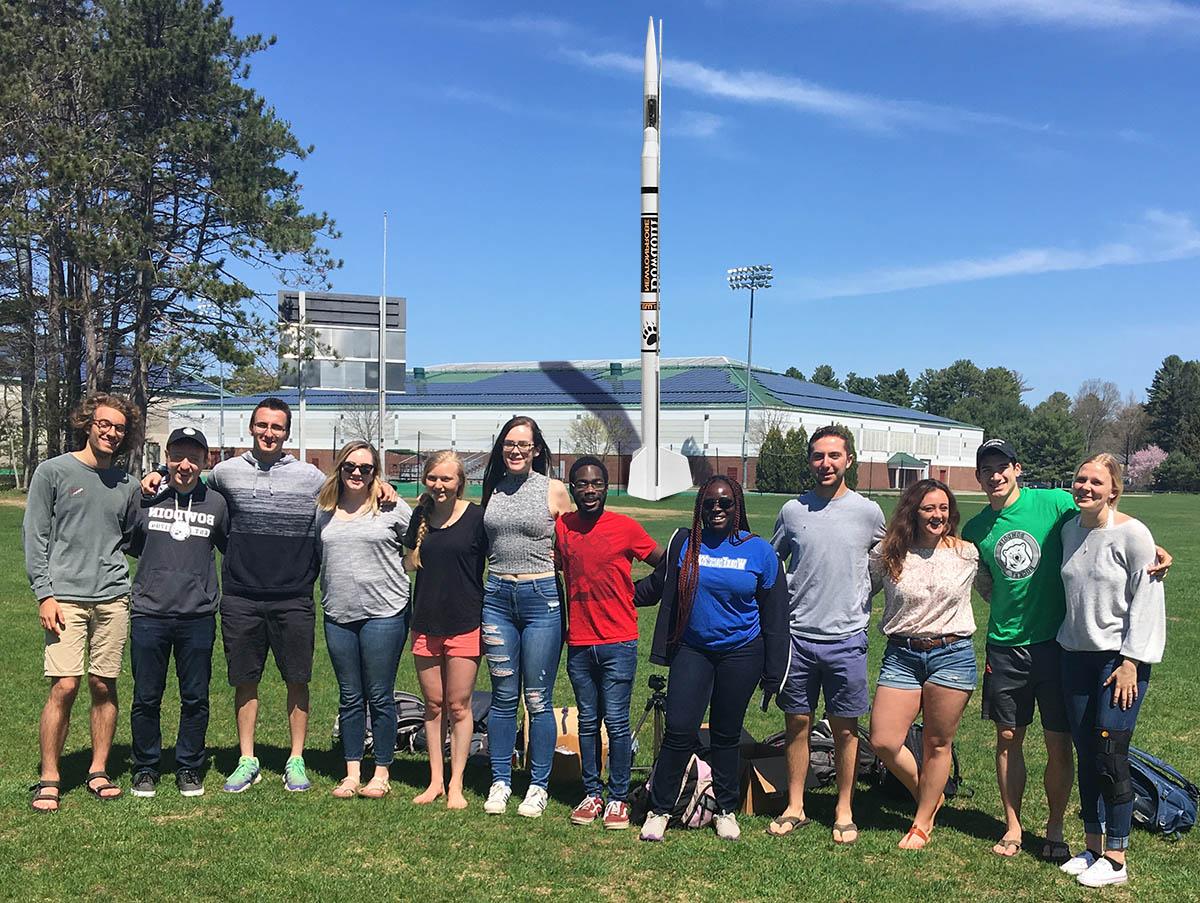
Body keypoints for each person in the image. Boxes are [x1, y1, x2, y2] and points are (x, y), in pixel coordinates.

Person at [140, 397, 395, 794]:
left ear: (287, 433)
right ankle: (247, 759)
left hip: (294, 596)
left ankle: (296, 759)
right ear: (251, 427)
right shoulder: (226, 472)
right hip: (241, 596)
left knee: (297, 679)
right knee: (246, 680)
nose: (269, 433)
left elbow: (348, 483)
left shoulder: (310, 476)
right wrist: (157, 471)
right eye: (262, 426)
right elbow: (187, 475)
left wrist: (382, 484)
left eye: (277, 427)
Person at [962, 438, 1170, 861]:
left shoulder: (1056, 503)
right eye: (987, 470)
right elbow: (984, 585)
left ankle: (1056, 827)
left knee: (1061, 743)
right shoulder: (975, 530)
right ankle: (1014, 826)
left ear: (1017, 468)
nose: (996, 475)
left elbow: (1108, 520)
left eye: (1003, 466)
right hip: (1005, 646)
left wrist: (1154, 552)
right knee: (1007, 737)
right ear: (979, 477)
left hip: (1056, 645)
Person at [635, 475, 788, 842]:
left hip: (741, 653)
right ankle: (660, 808)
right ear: (699, 508)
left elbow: (776, 617)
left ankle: (724, 809)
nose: (717, 510)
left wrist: (773, 673)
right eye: (709, 504)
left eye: (725, 504)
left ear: (738, 507)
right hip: (693, 650)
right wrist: (608, 595)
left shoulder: (760, 552)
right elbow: (655, 586)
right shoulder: (684, 543)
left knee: (725, 734)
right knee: (680, 730)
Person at [24, 392, 142, 812]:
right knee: (65, 684)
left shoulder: (127, 484)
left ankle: (98, 770)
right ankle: (50, 776)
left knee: (102, 683)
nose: (110, 432)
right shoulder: (53, 471)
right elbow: (35, 537)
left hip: (113, 596)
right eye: (103, 424)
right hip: (65, 598)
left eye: (119, 428)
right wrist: (45, 594)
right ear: (88, 423)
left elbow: (133, 538)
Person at [768, 425, 885, 843]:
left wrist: (863, 593)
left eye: (834, 456)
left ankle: (844, 806)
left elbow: (886, 559)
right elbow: (771, 563)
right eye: (818, 456)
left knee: (845, 728)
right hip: (798, 637)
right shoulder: (791, 512)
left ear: (849, 460)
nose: (826, 464)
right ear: (810, 461)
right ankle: (796, 804)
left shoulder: (868, 512)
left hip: (847, 638)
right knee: (797, 722)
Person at [1056, 454, 1166, 888]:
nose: (1085, 487)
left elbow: (1148, 598)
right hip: (1074, 658)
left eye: (1096, 482)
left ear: (1113, 490)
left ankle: (1117, 857)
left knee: (1110, 754)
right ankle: (1092, 846)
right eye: (1080, 480)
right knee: (1087, 754)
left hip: (1117, 663)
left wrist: (1131, 662)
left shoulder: (1134, 534)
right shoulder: (1069, 530)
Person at [867, 479, 981, 849]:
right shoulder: (889, 553)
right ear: (912, 512)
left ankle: (921, 823)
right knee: (883, 740)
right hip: (901, 654)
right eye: (929, 508)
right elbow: (858, 588)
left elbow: (1004, 587)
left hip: (952, 654)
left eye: (944, 508)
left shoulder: (967, 553)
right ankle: (927, 793)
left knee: (937, 742)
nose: (938, 515)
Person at [556, 456, 663, 830]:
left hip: (619, 641)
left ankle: (617, 797)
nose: (589, 490)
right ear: (571, 487)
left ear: (607, 487)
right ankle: (592, 793)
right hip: (580, 642)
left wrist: (641, 593)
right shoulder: (563, 528)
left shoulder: (625, 527)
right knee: (588, 721)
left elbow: (665, 564)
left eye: (597, 483)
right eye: (582, 484)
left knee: (616, 722)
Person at [126, 427, 229, 799]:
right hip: (149, 613)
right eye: (177, 457)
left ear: (205, 462)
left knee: (195, 697)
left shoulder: (216, 503)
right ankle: (146, 767)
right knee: (146, 697)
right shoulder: (146, 498)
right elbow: (134, 545)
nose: (185, 465)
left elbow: (227, 545)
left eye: (194, 459)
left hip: (197, 616)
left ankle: (189, 765)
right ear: (166, 457)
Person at [479, 416, 572, 818]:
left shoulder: (553, 490)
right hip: (497, 597)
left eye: (524, 444)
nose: (516, 450)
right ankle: (500, 780)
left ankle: (537, 785)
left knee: (537, 699)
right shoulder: (491, 488)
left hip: (541, 601)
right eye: (509, 444)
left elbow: (574, 546)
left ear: (536, 449)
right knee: (502, 697)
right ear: (502, 448)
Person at [316, 440, 412, 800]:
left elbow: (419, 540)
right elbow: (318, 553)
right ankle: (352, 772)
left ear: (376, 473)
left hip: (384, 613)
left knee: (379, 694)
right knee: (350, 696)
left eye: (366, 468)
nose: (357, 473)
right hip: (338, 614)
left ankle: (382, 772)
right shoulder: (324, 509)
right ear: (339, 468)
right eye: (350, 466)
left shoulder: (391, 506)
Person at [403, 450, 487, 810]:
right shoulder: (419, 516)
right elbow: (407, 561)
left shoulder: (477, 519)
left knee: (459, 705)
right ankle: (435, 781)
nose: (439, 485)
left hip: (466, 623)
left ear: (460, 483)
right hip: (425, 624)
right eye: (433, 478)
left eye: (447, 479)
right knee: (433, 706)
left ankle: (457, 784)